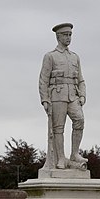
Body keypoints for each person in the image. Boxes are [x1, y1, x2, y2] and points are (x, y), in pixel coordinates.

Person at [39, 23, 87, 169]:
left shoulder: (74, 57)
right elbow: (43, 80)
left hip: (73, 95)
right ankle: (60, 158)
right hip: (57, 95)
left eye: (70, 35)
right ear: (58, 36)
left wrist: (83, 95)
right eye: (65, 35)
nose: (68, 38)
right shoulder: (50, 56)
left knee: (80, 120)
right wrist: (45, 100)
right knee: (58, 129)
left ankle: (74, 154)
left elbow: (81, 79)